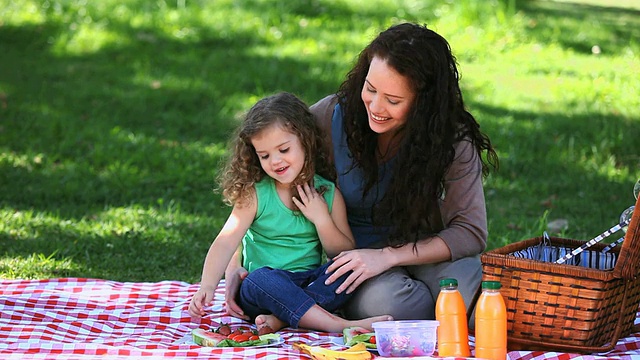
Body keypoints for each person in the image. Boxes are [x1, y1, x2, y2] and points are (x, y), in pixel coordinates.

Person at [224, 23, 499, 323]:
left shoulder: (451, 141)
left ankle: (438, 310)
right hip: (357, 262)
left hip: (427, 251)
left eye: (393, 100)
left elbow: (470, 232)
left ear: (424, 104)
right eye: (370, 89)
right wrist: (236, 263)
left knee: (477, 303)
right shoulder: (329, 118)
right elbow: (263, 184)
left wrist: (389, 256)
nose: (376, 106)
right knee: (397, 307)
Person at [188, 92, 391, 333]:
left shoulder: (327, 193)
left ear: (305, 141)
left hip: (309, 281)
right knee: (260, 279)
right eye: (264, 155)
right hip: (263, 290)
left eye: (284, 149)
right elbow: (225, 242)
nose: (275, 161)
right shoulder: (255, 194)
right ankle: (339, 325)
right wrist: (208, 285)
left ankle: (282, 319)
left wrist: (321, 218)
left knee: (347, 270)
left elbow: (343, 252)